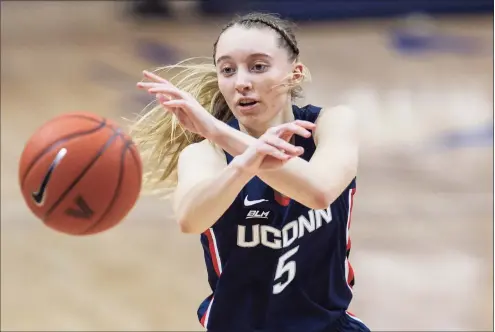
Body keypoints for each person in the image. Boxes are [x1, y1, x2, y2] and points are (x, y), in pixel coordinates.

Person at [132, 12, 368, 332]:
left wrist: (218, 131)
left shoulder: (332, 124)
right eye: (227, 70)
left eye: (258, 66)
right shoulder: (205, 154)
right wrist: (244, 162)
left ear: (294, 74)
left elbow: (319, 191)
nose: (241, 82)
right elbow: (191, 218)